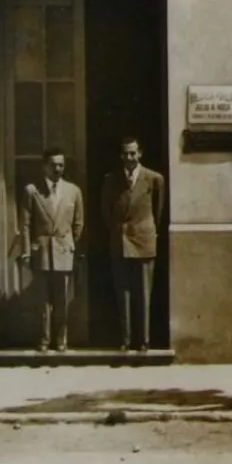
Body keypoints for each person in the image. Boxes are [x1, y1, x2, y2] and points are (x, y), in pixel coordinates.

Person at [101, 136, 166, 353]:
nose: (129, 157)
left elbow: (158, 210)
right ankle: (126, 340)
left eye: (133, 153)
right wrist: (119, 231)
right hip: (120, 241)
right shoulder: (111, 180)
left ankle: (144, 341)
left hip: (144, 241)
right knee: (124, 293)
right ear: (121, 155)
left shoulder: (154, 179)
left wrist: (146, 230)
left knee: (144, 293)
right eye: (125, 153)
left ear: (140, 154)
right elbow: (106, 211)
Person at [18, 147, 84, 353]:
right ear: (44, 166)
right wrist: (27, 251)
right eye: (53, 165)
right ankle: (44, 340)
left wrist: (70, 244)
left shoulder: (73, 191)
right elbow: (25, 224)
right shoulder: (32, 191)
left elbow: (78, 223)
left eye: (61, 165)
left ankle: (61, 340)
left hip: (64, 251)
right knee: (43, 301)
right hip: (42, 252)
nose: (57, 169)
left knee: (62, 300)